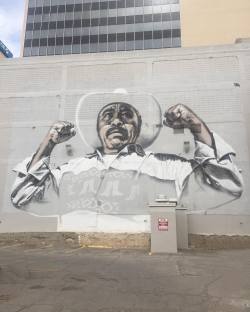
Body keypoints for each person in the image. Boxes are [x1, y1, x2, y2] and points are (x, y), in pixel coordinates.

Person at [11, 102, 243, 218]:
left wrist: (196, 125)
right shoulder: (71, 169)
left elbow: (228, 186)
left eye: (126, 117)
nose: (116, 122)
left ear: (138, 127)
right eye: (108, 117)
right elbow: (22, 196)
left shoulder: (169, 167)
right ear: (99, 128)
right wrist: (49, 142)